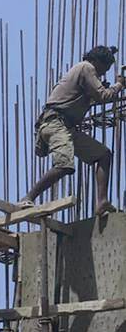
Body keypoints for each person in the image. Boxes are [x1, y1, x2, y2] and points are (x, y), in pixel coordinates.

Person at [18, 45, 125, 215]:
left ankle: (102, 202)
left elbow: (95, 98)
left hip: (66, 127)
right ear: (96, 61)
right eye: (105, 67)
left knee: (104, 155)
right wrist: (119, 85)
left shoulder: (83, 72)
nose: (104, 72)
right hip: (56, 123)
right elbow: (104, 96)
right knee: (64, 165)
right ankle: (28, 197)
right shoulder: (86, 67)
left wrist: (103, 91)